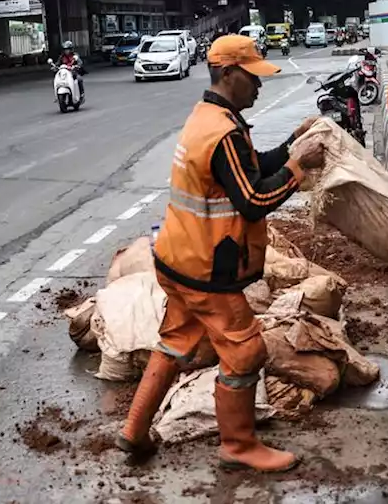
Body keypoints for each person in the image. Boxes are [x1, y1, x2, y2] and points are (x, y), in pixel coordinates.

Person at [115, 35, 326, 473]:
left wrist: (291, 143)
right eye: (254, 78)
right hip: (207, 269)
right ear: (229, 74)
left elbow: (244, 170)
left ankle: (134, 429)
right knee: (246, 353)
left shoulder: (208, 117)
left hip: (177, 258)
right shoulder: (223, 131)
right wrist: (299, 167)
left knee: (174, 342)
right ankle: (238, 445)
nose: (260, 86)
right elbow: (252, 199)